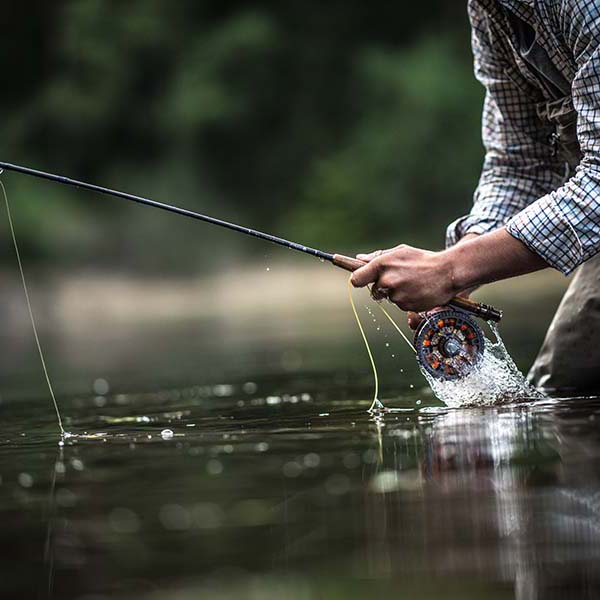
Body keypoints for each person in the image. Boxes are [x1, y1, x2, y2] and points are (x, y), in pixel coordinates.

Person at [351, 0, 600, 396]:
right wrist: (456, 271)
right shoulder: (489, 10)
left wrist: (452, 270)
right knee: (560, 390)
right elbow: (522, 163)